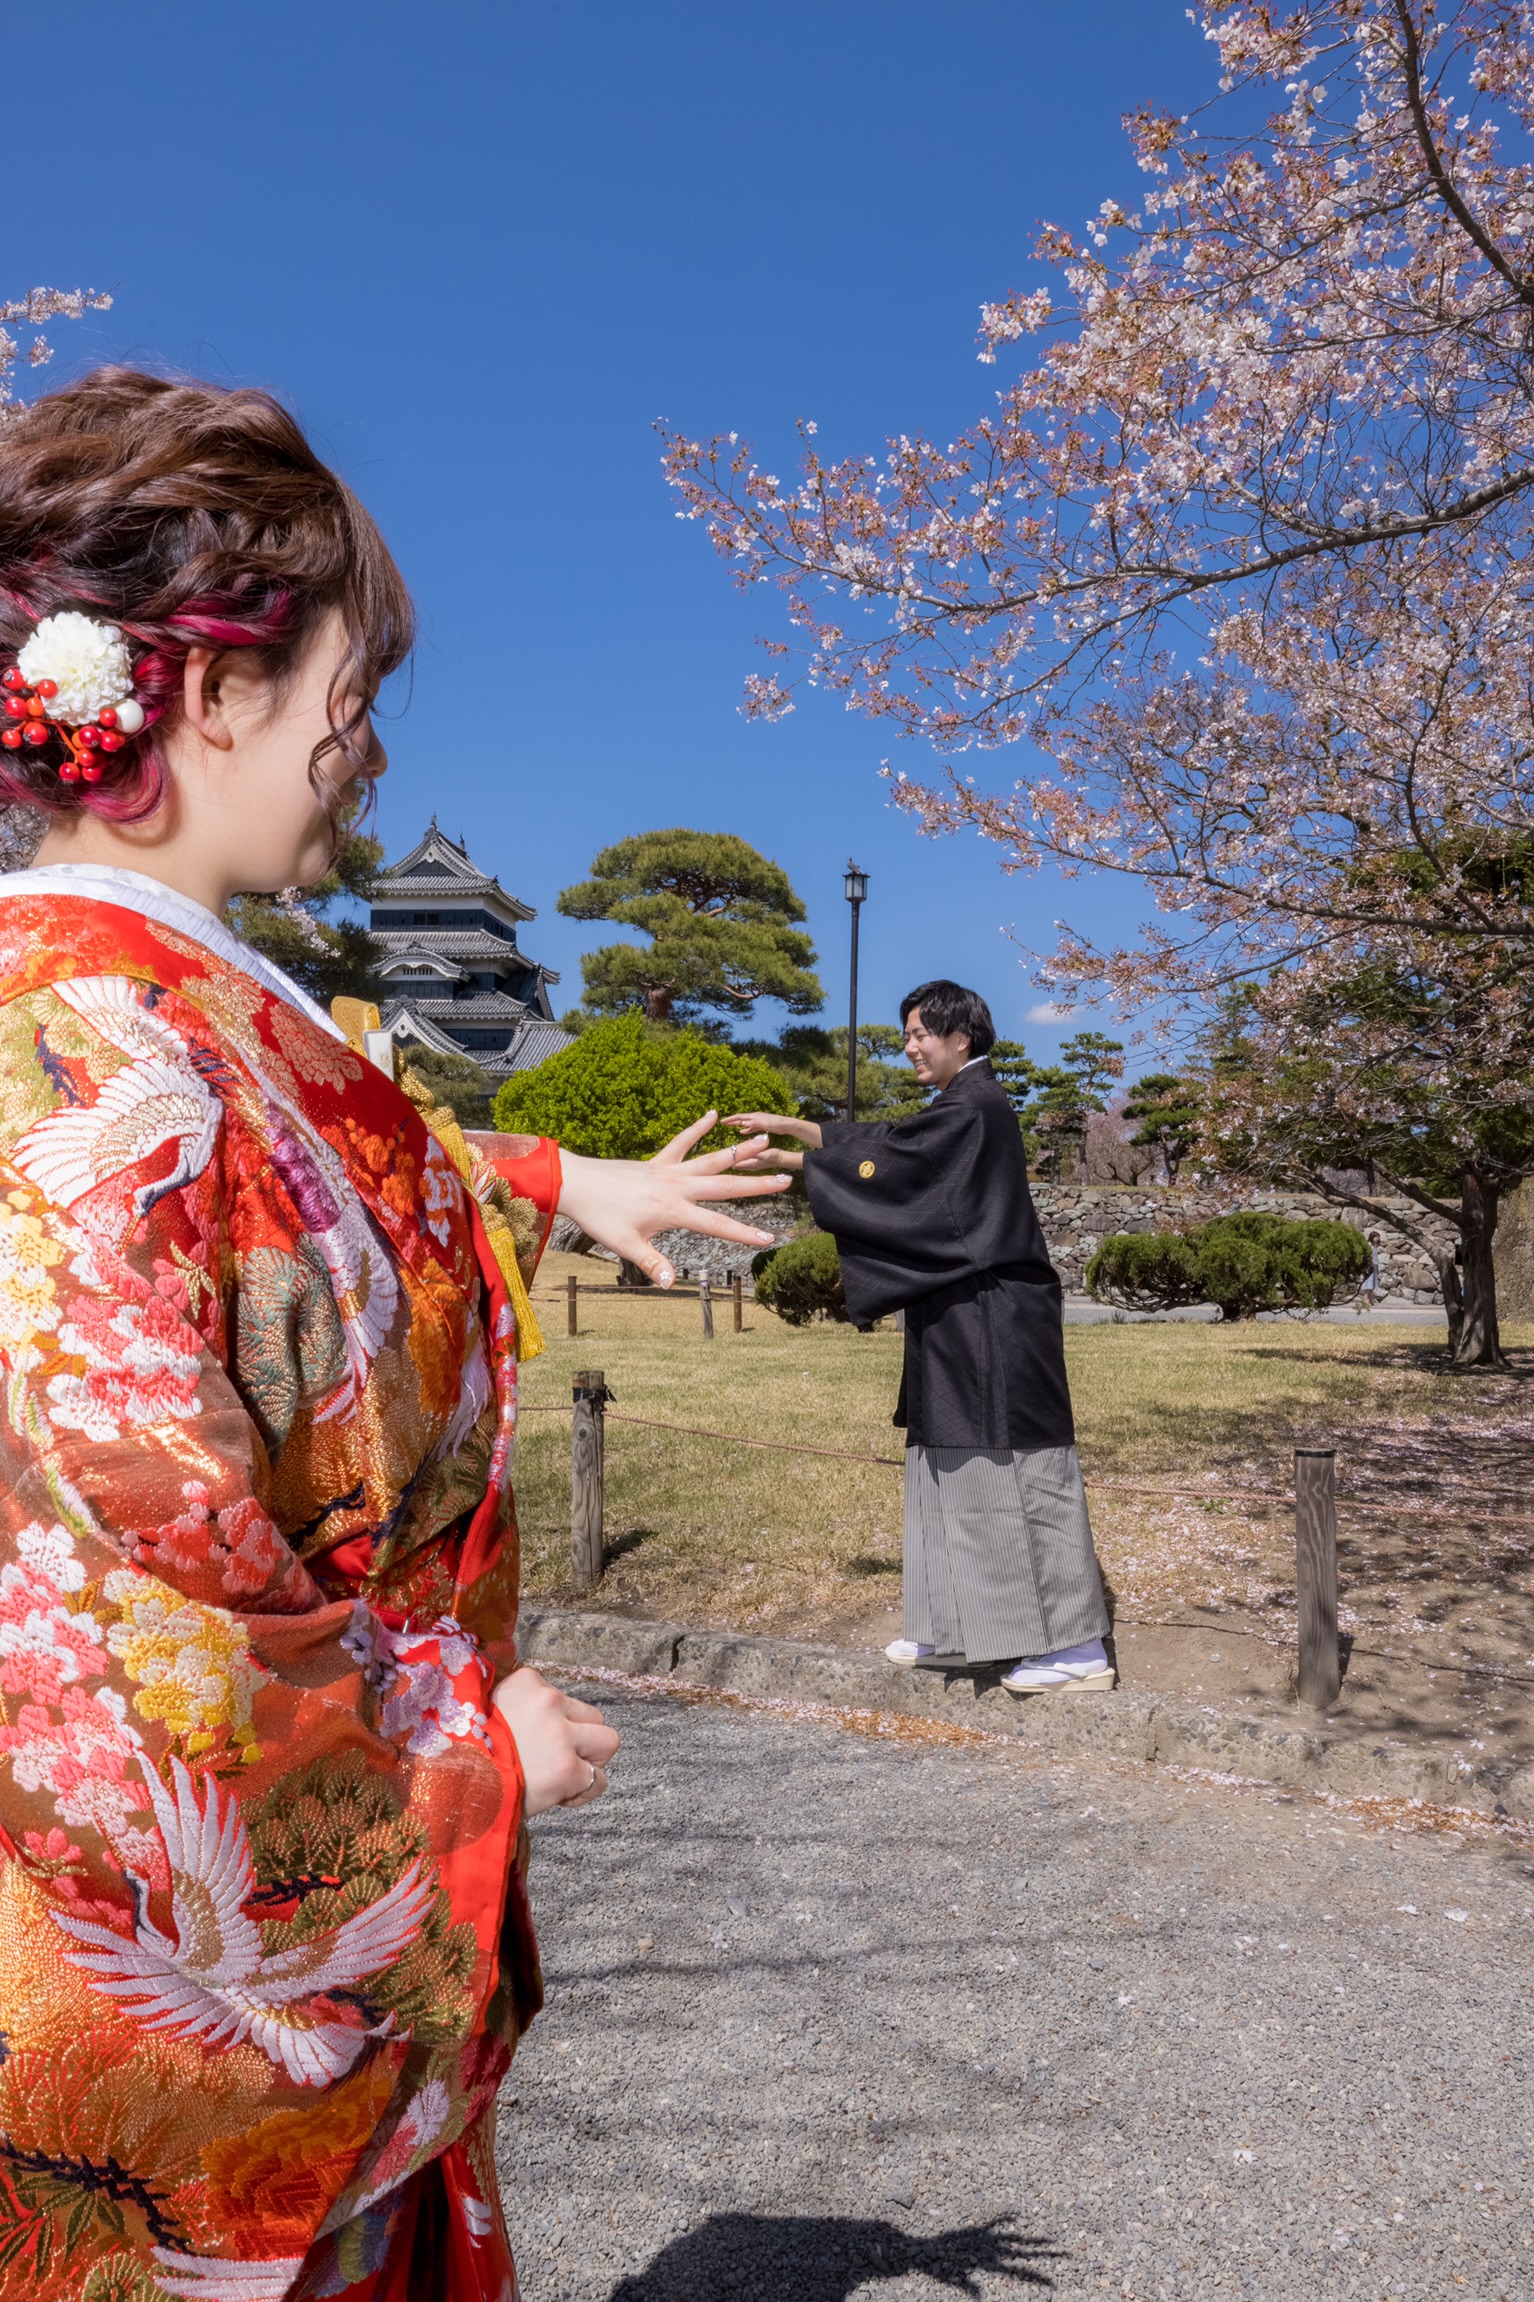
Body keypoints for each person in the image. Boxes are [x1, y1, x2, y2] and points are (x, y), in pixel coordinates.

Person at [0, 369, 789, 2302]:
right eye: (352, 687)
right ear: (208, 688)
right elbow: (98, 1574)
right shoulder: (74, 1039)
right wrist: (449, 1744)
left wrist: (547, 1169)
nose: (365, 746)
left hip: (343, 1865)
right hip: (265, 1847)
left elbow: (345, 1172)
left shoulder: (179, 1007)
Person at [727, 979, 1113, 1694]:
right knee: (948, 1459)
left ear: (959, 1037)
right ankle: (963, 1624)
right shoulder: (962, 1108)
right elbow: (891, 1148)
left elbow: (898, 1162)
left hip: (995, 1317)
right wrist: (792, 1143)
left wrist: (801, 1153)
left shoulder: (977, 1105)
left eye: (917, 1034)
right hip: (960, 1314)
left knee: (1014, 1469)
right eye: (906, 1035)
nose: (908, 1047)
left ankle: (1074, 1643)